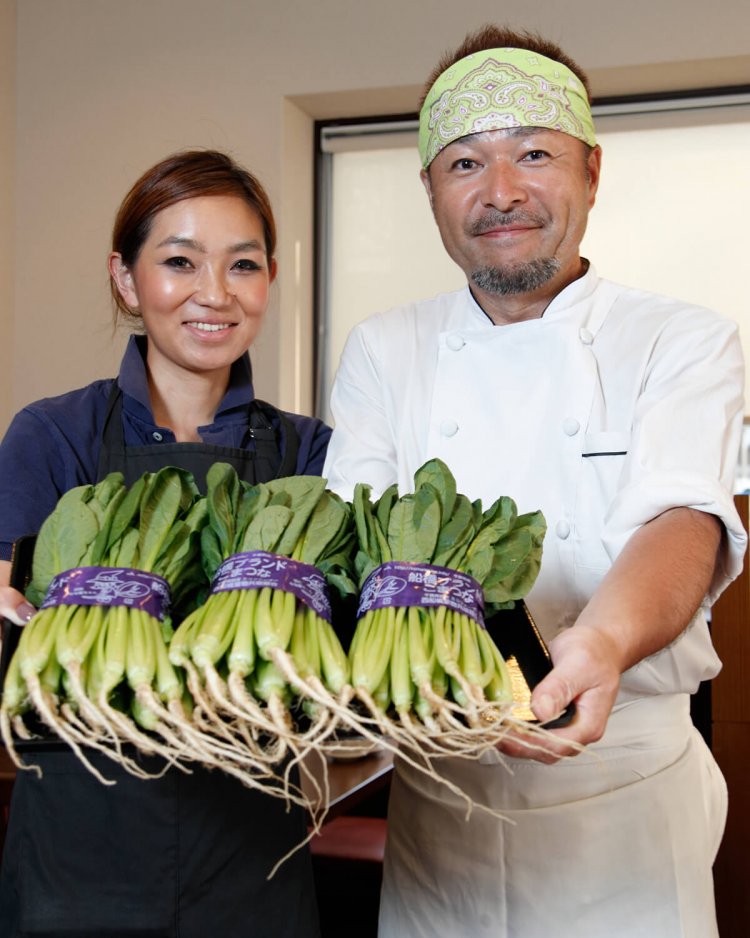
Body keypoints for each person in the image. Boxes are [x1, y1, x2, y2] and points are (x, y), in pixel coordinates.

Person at [323, 25, 747, 938]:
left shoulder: (681, 339)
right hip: (440, 796)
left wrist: (601, 638)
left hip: (624, 793)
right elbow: (356, 544)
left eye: (534, 154)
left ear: (593, 171)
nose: (501, 191)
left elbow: (684, 519)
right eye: (465, 162)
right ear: (430, 190)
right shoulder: (383, 349)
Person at [0, 149, 329, 937]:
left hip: (256, 844)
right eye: (179, 262)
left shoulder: (309, 454)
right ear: (126, 279)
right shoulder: (54, 434)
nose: (214, 294)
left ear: (270, 279)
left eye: (242, 265)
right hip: (80, 843)